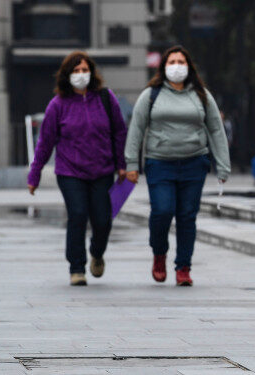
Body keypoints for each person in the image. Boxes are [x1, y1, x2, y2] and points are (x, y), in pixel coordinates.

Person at [124, 45, 230, 286]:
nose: (177, 66)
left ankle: (183, 267)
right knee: (162, 211)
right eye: (172, 62)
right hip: (159, 163)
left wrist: (223, 166)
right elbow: (137, 128)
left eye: (181, 62)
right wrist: (131, 163)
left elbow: (215, 129)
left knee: (187, 216)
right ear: (163, 67)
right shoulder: (151, 94)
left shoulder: (201, 94)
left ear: (189, 67)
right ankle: (159, 253)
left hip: (194, 163)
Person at [27, 51, 127, 286]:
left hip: (102, 170)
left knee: (103, 220)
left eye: (84, 70)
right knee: (78, 214)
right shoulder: (58, 105)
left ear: (91, 73)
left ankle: (97, 253)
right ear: (67, 75)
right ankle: (76, 267)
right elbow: (45, 142)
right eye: (76, 71)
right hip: (70, 171)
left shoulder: (106, 98)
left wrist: (122, 164)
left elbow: (119, 132)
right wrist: (35, 173)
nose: (81, 75)